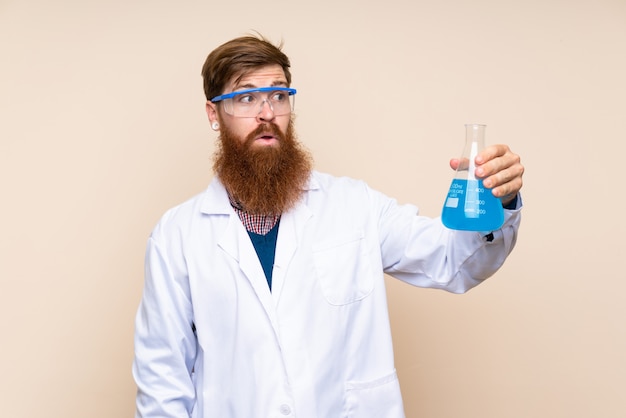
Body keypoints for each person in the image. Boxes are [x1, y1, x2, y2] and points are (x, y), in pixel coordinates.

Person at [132, 34, 524, 418]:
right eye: (245, 97)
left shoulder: (355, 205)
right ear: (213, 114)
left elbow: (452, 261)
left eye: (278, 95)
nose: (267, 112)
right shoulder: (177, 236)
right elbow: (162, 383)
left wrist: (500, 199)